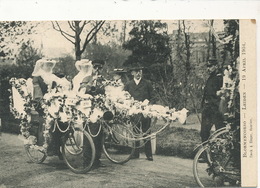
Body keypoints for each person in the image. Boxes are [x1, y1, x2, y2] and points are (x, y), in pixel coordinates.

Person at [32, 58, 70, 159]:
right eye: (47, 65)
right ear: (42, 66)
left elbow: (60, 88)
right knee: (49, 123)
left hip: (54, 102)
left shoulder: (53, 76)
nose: (48, 67)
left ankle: (58, 147)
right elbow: (37, 93)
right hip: (42, 103)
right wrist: (43, 102)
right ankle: (45, 147)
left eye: (50, 65)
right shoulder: (38, 77)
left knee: (63, 122)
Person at [124, 64, 155, 161]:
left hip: (145, 112)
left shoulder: (147, 83)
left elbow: (153, 97)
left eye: (140, 71)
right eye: (136, 72)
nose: (138, 74)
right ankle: (135, 153)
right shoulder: (128, 84)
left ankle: (149, 154)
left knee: (146, 132)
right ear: (132, 73)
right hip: (134, 112)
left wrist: (149, 106)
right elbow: (125, 98)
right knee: (135, 132)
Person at [82, 59, 106, 168]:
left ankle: (96, 160)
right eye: (96, 67)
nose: (97, 70)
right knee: (89, 136)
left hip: (99, 110)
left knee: (99, 136)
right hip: (88, 111)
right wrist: (92, 83)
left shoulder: (103, 80)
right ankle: (87, 161)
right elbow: (81, 91)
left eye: (100, 68)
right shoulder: (87, 78)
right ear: (92, 67)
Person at [200, 58, 224, 143]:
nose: (208, 68)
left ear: (216, 66)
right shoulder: (210, 78)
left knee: (220, 133)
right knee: (204, 133)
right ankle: (206, 154)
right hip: (207, 109)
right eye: (207, 66)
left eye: (210, 66)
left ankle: (220, 154)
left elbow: (222, 94)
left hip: (216, 110)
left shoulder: (219, 78)